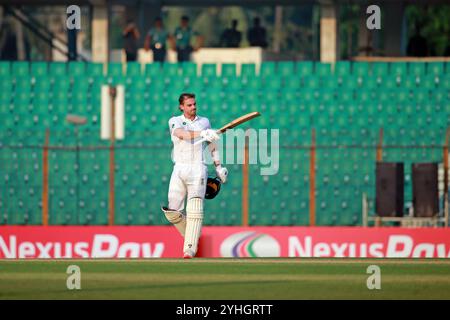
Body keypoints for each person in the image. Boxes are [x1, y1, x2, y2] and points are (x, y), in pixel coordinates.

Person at [161, 93, 228, 259]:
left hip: (198, 168)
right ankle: (193, 232)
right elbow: (181, 134)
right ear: (181, 107)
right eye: (189, 105)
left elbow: (212, 145)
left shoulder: (204, 122)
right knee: (171, 211)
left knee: (195, 208)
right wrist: (202, 134)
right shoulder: (174, 120)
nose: (193, 107)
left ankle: (189, 249)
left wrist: (218, 167)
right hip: (179, 168)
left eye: (194, 104)